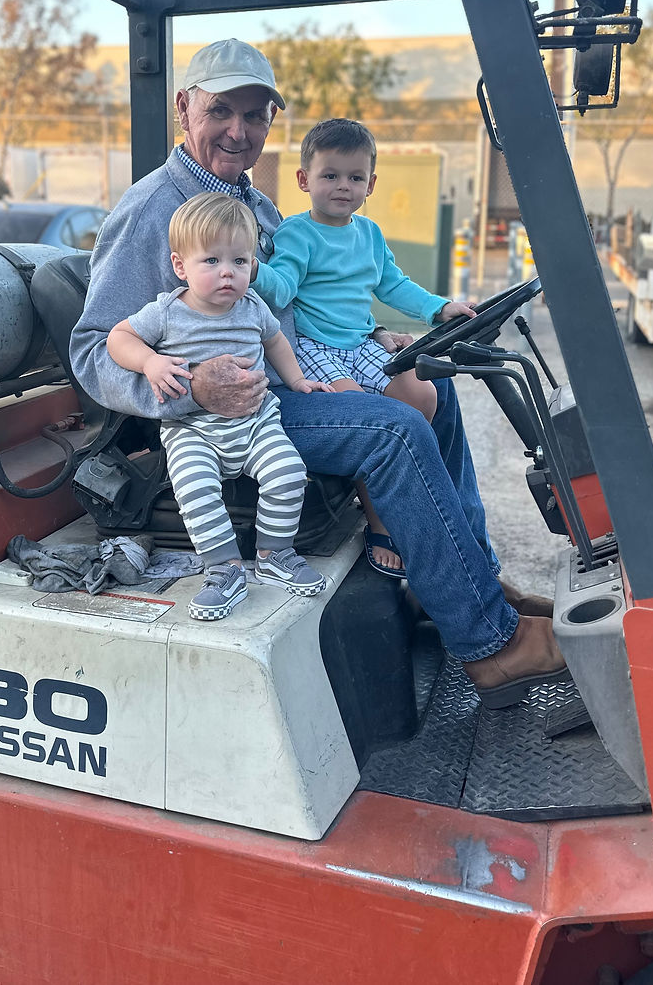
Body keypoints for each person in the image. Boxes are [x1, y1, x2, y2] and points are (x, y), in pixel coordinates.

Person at [71, 38, 566, 710]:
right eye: (222, 111)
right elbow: (95, 347)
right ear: (184, 109)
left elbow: (298, 304)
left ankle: (464, 576)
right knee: (392, 432)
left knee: (436, 391)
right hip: (228, 417)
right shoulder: (154, 210)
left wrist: (376, 333)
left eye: (255, 115)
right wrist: (192, 386)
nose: (239, 131)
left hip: (296, 381)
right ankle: (490, 644)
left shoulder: (260, 207)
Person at [251, 117, 474, 579]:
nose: (342, 187)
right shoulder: (297, 234)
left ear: (371, 184)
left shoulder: (369, 235)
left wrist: (440, 309)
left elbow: (394, 285)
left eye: (354, 178)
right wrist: (251, 270)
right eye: (329, 176)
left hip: (359, 342)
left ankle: (425, 509)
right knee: (364, 413)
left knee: (422, 394)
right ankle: (378, 520)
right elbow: (281, 288)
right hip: (316, 347)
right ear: (303, 180)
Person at [106, 193, 331, 621]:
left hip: (254, 422)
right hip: (192, 428)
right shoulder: (167, 312)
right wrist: (150, 361)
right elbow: (119, 338)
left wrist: (298, 381)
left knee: (288, 472)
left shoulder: (253, 307)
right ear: (180, 266)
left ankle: (275, 553)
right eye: (211, 261)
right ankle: (224, 568)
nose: (227, 272)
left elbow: (275, 341)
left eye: (240, 262)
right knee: (194, 489)